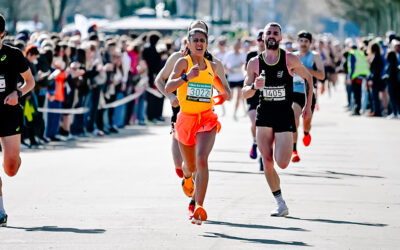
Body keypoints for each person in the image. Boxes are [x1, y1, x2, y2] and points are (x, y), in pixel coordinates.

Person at [155, 20, 230, 221]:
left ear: (207, 40)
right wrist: (172, 98)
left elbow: (225, 89)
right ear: (188, 39)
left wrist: (223, 94)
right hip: (181, 114)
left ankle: (197, 204)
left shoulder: (214, 64)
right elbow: (160, 81)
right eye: (194, 38)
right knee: (182, 166)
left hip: (205, 117)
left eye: (202, 38)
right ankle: (188, 180)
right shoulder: (178, 58)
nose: (198, 42)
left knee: (201, 159)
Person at [243, 22, 313, 217]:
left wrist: (308, 107)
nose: (272, 35)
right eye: (269, 33)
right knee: (266, 161)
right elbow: (244, 93)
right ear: (263, 38)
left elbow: (308, 78)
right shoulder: (254, 63)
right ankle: (280, 203)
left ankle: (280, 195)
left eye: (276, 33)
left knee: (281, 163)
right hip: (264, 114)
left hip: (284, 114)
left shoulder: (290, 59)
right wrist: (254, 87)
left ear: (281, 38)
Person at [0, 14, 36, 226]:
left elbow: (30, 81)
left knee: (10, 168)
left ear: (2, 33)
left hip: (8, 112)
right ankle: (0, 210)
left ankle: (12, 160)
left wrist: (18, 94)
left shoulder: (13, 55)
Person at [291, 31, 325, 162]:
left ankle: (306, 132)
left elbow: (322, 76)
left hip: (308, 93)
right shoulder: (291, 56)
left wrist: (304, 69)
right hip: (294, 93)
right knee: (293, 118)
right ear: (297, 42)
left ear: (310, 43)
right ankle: (294, 150)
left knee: (306, 123)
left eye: (306, 41)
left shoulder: (315, 56)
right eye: (301, 41)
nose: (303, 44)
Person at [245, 30, 265, 170]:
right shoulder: (251, 56)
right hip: (253, 94)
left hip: (268, 96)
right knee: (254, 123)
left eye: (264, 40)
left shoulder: (275, 56)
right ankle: (254, 142)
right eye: (260, 40)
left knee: (266, 128)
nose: (262, 43)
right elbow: (247, 72)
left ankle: (263, 156)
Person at [347, 42, 370, 116]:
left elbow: (352, 65)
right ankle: (360, 108)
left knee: (356, 93)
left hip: (356, 75)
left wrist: (350, 77)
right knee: (361, 93)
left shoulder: (352, 53)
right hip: (363, 75)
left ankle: (357, 109)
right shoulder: (361, 53)